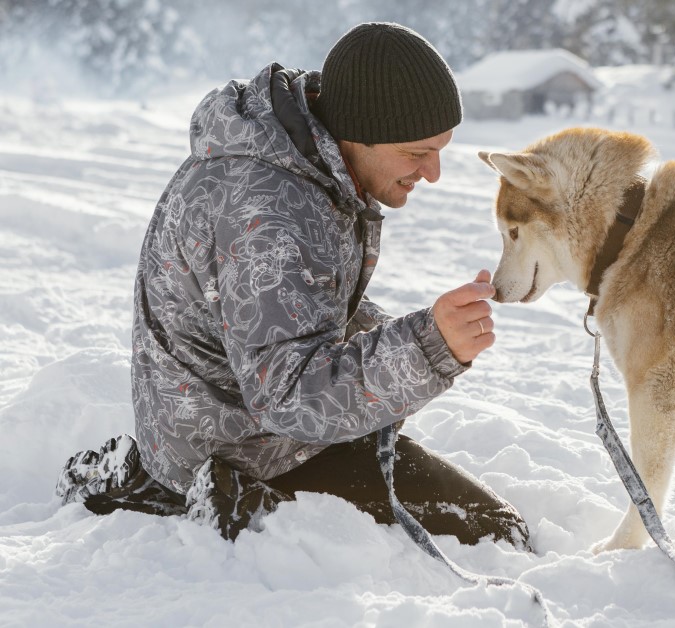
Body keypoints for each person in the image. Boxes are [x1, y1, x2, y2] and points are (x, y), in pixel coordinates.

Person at [54, 22, 529, 548]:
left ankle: (164, 480)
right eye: (416, 152)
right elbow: (290, 397)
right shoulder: (267, 212)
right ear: (358, 129)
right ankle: (211, 502)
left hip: (221, 419)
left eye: (440, 149)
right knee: (497, 535)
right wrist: (428, 346)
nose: (433, 172)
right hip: (244, 450)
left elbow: (304, 300)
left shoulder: (299, 161)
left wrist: (411, 335)